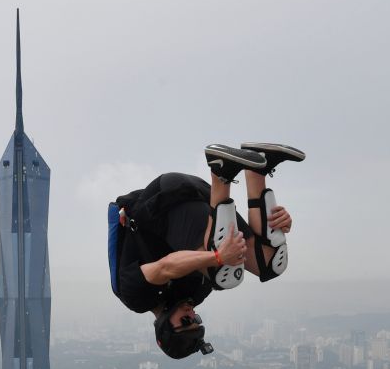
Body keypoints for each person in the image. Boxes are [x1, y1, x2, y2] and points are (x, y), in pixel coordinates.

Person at [110, 143, 303, 358]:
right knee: (270, 264)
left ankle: (221, 172)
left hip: (162, 201)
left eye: (186, 322)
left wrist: (218, 256)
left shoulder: (138, 297)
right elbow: (235, 248)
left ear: (164, 325)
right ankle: (258, 167)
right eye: (196, 320)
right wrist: (277, 225)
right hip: (203, 195)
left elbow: (166, 267)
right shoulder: (196, 293)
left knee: (221, 271)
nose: (192, 314)